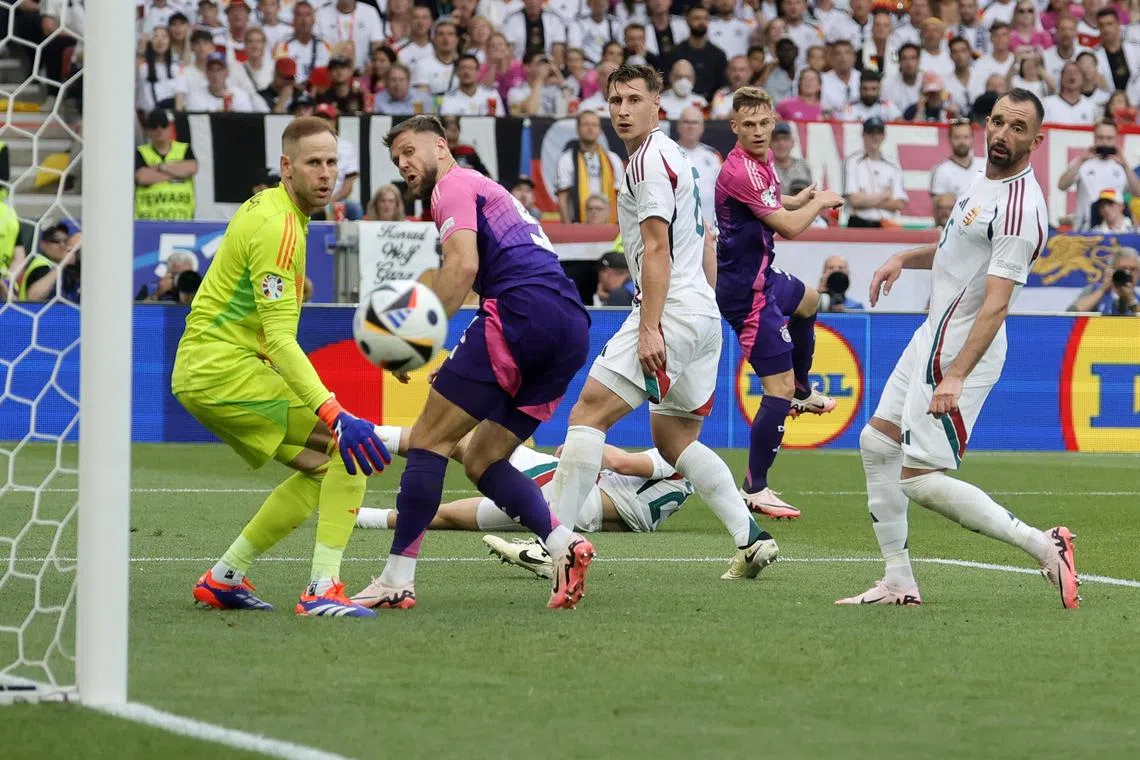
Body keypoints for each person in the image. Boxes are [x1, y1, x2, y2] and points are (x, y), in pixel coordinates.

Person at [838, 89, 1080, 609]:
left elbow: (995, 306)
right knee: (877, 445)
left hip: (959, 351)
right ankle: (898, 581)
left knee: (920, 480)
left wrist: (955, 376)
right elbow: (954, 249)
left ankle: (1045, 544)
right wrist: (905, 255)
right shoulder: (980, 179)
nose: (1002, 135)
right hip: (933, 336)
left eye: (1018, 128)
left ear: (1036, 141)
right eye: (997, 122)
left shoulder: (1020, 210)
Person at [549, 66, 782, 595]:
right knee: (674, 439)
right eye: (615, 100)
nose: (623, 109)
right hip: (699, 309)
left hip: (669, 309)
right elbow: (706, 242)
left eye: (634, 99)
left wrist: (653, 326)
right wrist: (701, 307)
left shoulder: (648, 162)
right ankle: (750, 538)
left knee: (588, 412)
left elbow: (657, 249)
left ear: (659, 105)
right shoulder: (678, 158)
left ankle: (553, 544)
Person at [350, 116, 593, 612]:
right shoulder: (488, 189)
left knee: (428, 440)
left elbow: (462, 267)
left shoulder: (453, 185)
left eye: (410, 151)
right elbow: (498, 276)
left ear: (441, 146)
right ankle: (566, 546)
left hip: (523, 314)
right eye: (397, 160)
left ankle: (397, 578)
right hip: (569, 327)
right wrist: (462, 355)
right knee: (482, 459)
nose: (404, 165)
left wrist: (414, 338)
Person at [174, 117, 391, 618]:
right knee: (351, 450)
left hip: (211, 369)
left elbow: (263, 323)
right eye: (314, 163)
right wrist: (334, 412)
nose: (326, 173)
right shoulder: (280, 226)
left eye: (332, 162)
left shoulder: (275, 210)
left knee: (323, 472)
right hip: (222, 370)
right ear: (286, 167)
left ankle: (225, 576)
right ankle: (322, 589)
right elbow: (280, 339)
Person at [714, 86, 844, 520]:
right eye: (746, 125)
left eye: (763, 123)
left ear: (772, 122)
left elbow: (772, 204)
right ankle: (755, 486)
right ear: (734, 127)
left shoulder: (762, 160)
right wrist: (820, 204)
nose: (756, 131)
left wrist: (799, 198)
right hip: (746, 295)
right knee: (777, 388)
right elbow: (787, 228)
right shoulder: (738, 170)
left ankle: (803, 392)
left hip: (763, 278)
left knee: (809, 300)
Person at [354, 426, 694, 578]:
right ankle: (360, 515)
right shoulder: (677, 494)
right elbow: (623, 519)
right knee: (456, 518)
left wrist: (586, 449)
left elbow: (620, 463)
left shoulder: (675, 458)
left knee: (460, 443)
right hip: (573, 518)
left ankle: (367, 435)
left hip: (566, 491)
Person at [1057, 119, 1140, 228]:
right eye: (1100, 137)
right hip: (1085, 228)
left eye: (1109, 138)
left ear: (1116, 139)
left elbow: (1138, 193)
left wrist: (1125, 166)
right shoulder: (1082, 162)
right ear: (1094, 138)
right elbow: (1062, 185)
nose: (1105, 142)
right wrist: (1081, 160)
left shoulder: (1123, 165)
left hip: (1115, 230)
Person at [555, 111, 623, 224]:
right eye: (586, 124)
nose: (590, 128)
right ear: (577, 128)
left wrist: (619, 226)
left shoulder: (613, 159)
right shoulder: (566, 159)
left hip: (609, 224)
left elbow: (620, 197)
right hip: (577, 223)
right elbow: (563, 198)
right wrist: (567, 228)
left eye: (594, 125)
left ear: (600, 130)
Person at [134, 109, 199, 221]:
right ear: (148, 131)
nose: (159, 130)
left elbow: (192, 168)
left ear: (170, 128)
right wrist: (178, 173)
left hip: (182, 220)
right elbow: (142, 177)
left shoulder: (184, 149)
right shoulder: (140, 152)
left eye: (163, 125)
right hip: (148, 222)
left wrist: (160, 168)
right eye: (154, 126)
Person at [843, 117, 907, 227]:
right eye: (870, 133)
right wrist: (884, 195)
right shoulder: (852, 162)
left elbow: (899, 203)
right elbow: (854, 200)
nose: (875, 137)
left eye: (878, 133)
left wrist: (866, 199)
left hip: (884, 224)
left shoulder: (893, 164)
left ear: (883, 136)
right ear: (863, 135)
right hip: (859, 223)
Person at [675, 106, 722, 226]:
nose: (690, 126)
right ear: (678, 126)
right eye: (686, 122)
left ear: (702, 127)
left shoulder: (713, 156)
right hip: (678, 228)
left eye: (695, 123)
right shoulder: (667, 153)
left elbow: (723, 192)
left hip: (709, 227)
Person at [17, 223, 80, 302]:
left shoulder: (67, 267)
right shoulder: (42, 265)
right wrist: (62, 264)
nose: (62, 245)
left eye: (65, 241)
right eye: (56, 241)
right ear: (43, 244)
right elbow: (33, 297)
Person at [1067, 249, 1140, 314]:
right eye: (1123, 268)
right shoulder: (1094, 289)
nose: (1128, 273)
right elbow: (1071, 314)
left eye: (1133, 269)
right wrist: (1102, 290)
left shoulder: (1137, 298)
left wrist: (1131, 299)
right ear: (1112, 269)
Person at [929, 119, 984, 198]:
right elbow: (938, 206)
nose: (962, 142)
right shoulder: (941, 171)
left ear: (972, 139)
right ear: (950, 139)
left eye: (966, 137)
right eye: (957, 137)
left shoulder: (985, 166)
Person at [440, 54, 505, 115]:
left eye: (471, 68)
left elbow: (499, 120)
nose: (467, 72)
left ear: (478, 72)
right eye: (463, 68)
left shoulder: (491, 94)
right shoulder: (449, 96)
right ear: (457, 72)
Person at [770, 122, 811, 190]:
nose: (781, 144)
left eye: (785, 139)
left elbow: (812, 191)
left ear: (792, 142)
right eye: (776, 140)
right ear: (769, 144)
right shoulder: (767, 169)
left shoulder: (803, 165)